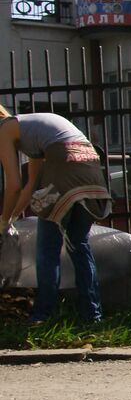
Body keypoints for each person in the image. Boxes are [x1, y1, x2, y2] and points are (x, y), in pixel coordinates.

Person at [0, 106, 112, 324]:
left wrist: (2, 222)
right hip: (90, 167)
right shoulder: (32, 129)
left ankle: (42, 315)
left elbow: (13, 185)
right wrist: (12, 218)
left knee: (47, 250)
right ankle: (93, 315)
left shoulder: (4, 129)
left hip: (64, 171)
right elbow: (30, 185)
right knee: (79, 244)